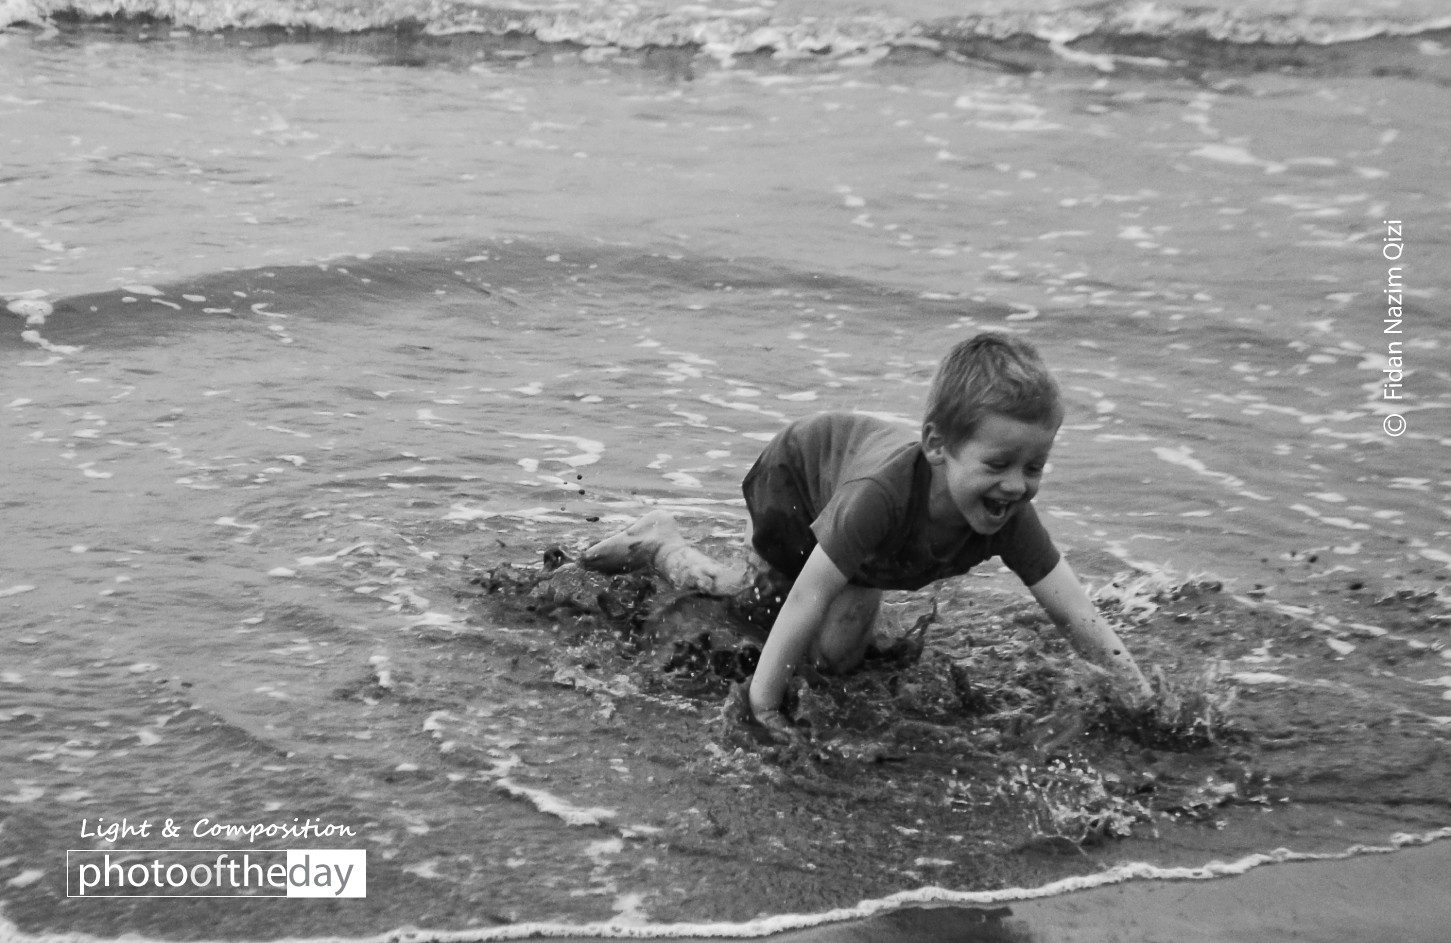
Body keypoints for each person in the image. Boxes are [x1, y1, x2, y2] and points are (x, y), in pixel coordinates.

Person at [582, 332, 1152, 741]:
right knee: (763, 606)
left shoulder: (1009, 517)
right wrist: (764, 705)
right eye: (999, 463)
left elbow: (1075, 614)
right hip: (800, 474)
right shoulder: (880, 498)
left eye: (1034, 467)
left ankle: (853, 586)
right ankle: (664, 547)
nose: (1016, 485)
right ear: (936, 447)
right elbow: (809, 595)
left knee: (834, 656)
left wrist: (1140, 697)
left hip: (864, 527)